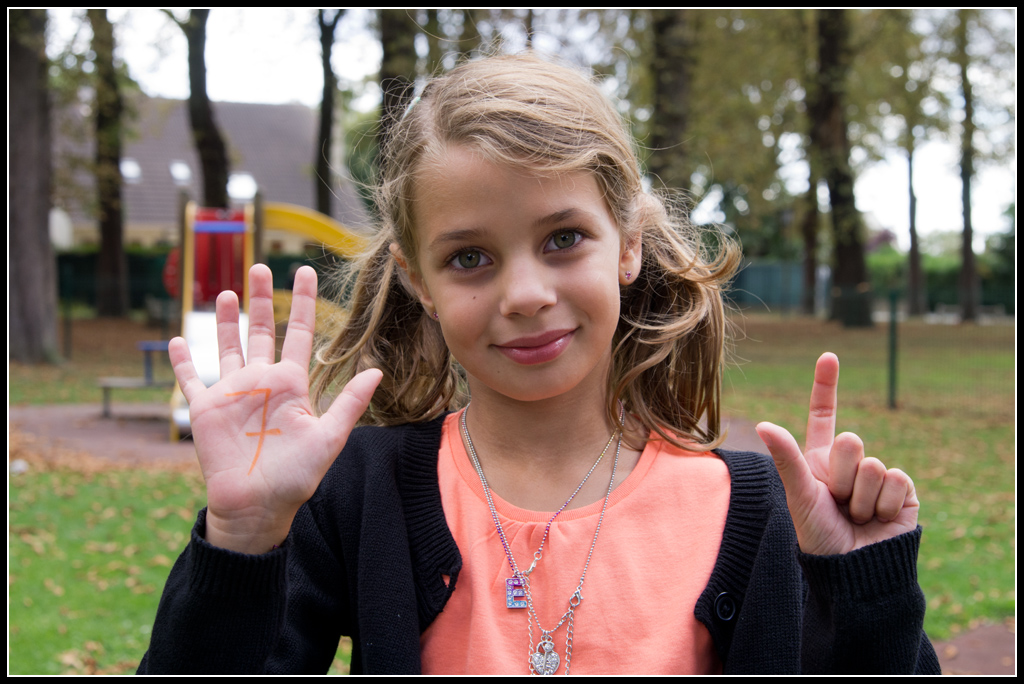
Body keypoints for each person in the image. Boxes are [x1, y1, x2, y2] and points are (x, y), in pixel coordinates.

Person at [138, 54, 938, 675]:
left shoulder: (754, 510)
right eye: (471, 257)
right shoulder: (350, 496)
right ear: (419, 279)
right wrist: (242, 540)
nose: (524, 293)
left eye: (563, 239)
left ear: (626, 244)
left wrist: (862, 592)